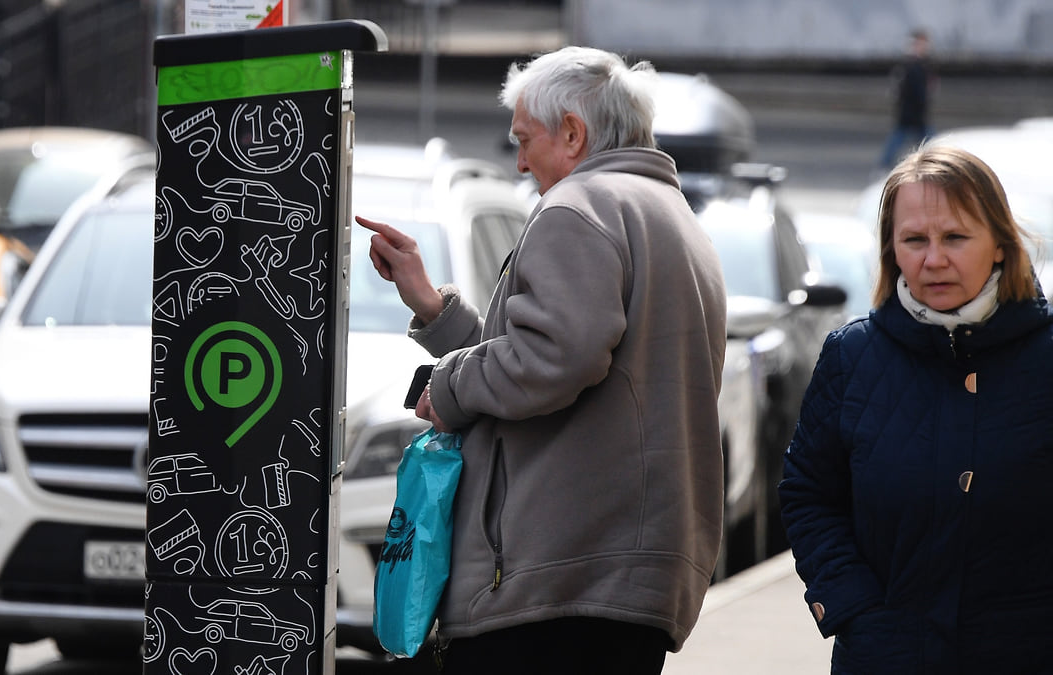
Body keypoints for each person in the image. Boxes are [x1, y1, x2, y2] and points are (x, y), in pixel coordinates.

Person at [356, 46, 727, 674]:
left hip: (553, 581)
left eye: (525, 140)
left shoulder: (577, 208)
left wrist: (446, 387)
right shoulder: (668, 214)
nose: (521, 161)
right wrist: (432, 305)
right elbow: (561, 356)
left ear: (574, 133)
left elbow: (556, 357)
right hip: (622, 578)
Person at [779, 145, 1053, 673]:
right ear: (891, 251)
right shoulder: (851, 356)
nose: (933, 259)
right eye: (914, 240)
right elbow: (808, 495)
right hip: (885, 655)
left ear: (999, 243)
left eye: (954, 237)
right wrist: (855, 610)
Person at [877, 29, 936, 171]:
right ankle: (883, 165)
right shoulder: (911, 66)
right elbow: (912, 91)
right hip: (911, 113)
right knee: (930, 141)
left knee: (902, 138)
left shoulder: (916, 65)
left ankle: (884, 165)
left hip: (912, 113)